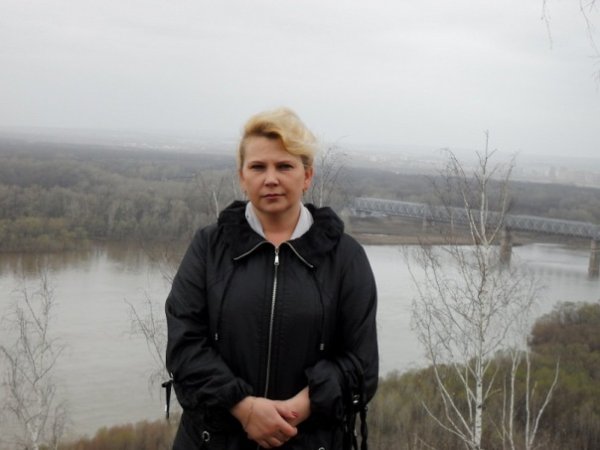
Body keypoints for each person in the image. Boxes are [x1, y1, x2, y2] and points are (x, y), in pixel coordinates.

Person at [165, 107, 378, 449]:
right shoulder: (209, 247)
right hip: (214, 441)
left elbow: (361, 364)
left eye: (285, 166)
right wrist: (245, 409)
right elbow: (184, 345)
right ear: (242, 176)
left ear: (307, 175)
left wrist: (296, 410)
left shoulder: (344, 257)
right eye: (258, 167)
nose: (271, 179)